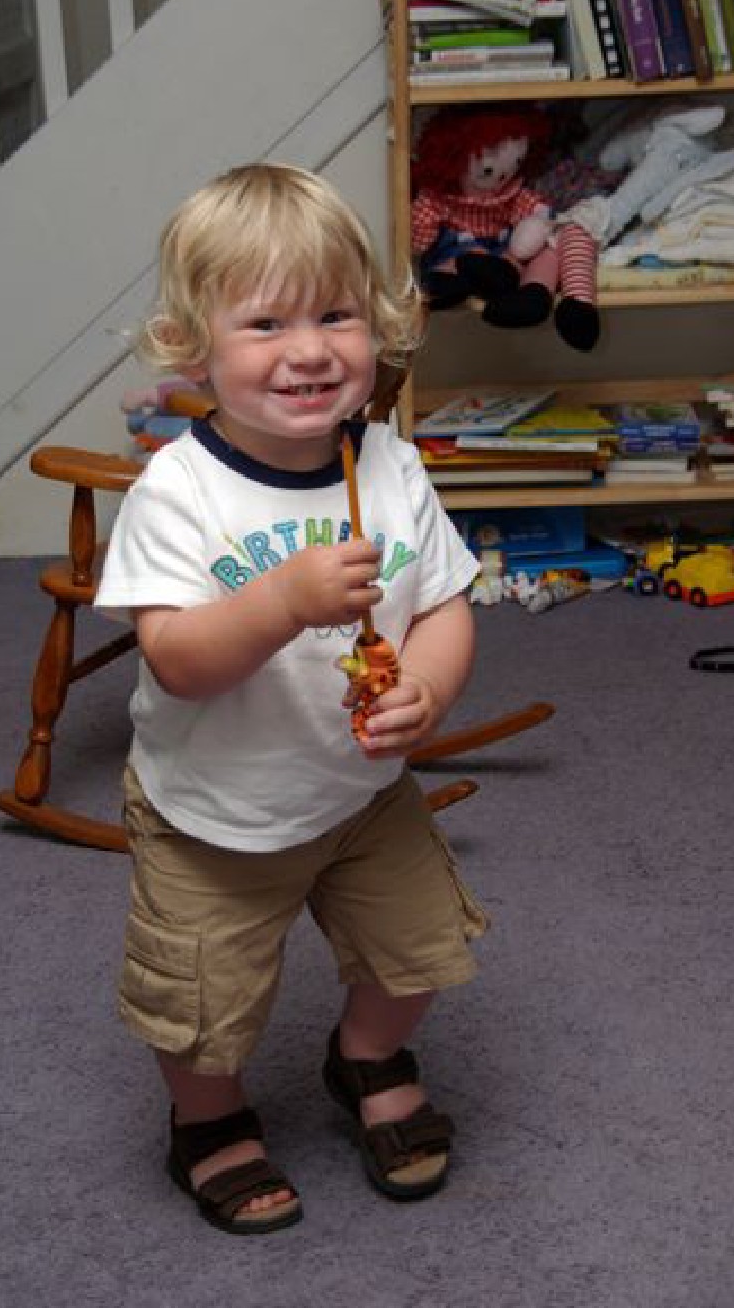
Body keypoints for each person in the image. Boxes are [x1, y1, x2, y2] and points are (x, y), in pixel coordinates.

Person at [95, 162, 485, 1236]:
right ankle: (209, 1121)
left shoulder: (390, 463)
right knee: (202, 1008)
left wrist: (428, 684)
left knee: (419, 952)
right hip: (214, 816)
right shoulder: (179, 491)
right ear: (193, 348)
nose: (309, 350)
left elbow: (446, 601)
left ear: (377, 328)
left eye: (335, 315)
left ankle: (367, 1058)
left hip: (364, 794)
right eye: (266, 322)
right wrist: (281, 601)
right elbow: (177, 658)